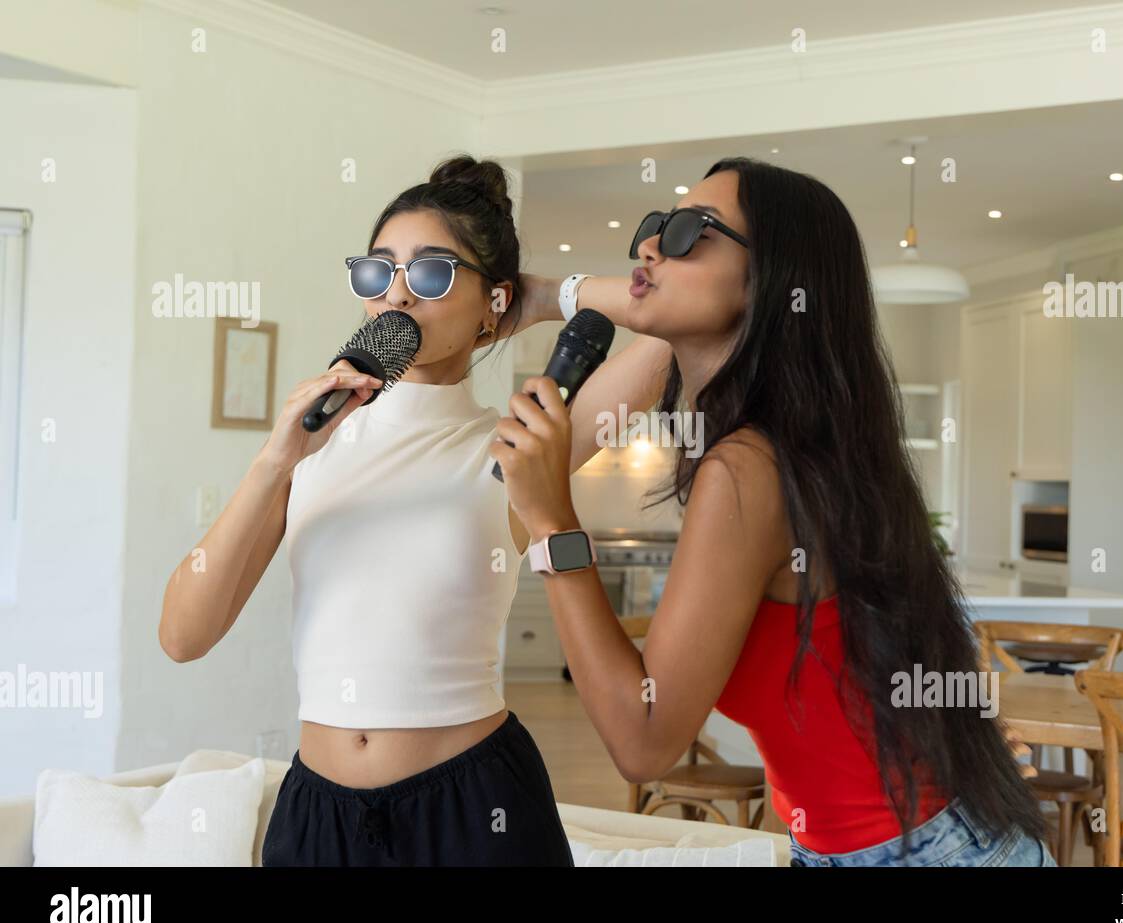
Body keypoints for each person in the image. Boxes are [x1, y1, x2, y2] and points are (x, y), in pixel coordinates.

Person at [491, 157, 1056, 866]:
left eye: (693, 230)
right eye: (654, 226)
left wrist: (551, 521)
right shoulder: (804, 445)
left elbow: (643, 739)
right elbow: (653, 295)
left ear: (773, 283)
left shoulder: (747, 468)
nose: (650, 245)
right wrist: (546, 296)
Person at [158, 156, 580, 865]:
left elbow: (675, 320)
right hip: (318, 814)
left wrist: (548, 297)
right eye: (378, 272)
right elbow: (181, 635)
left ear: (493, 302)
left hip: (475, 809)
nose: (398, 295)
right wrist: (274, 461)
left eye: (434, 273)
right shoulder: (311, 445)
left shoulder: (515, 443)